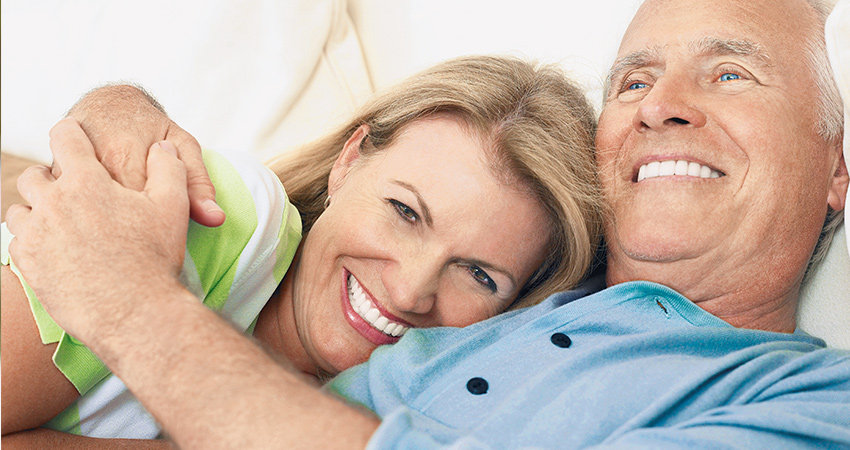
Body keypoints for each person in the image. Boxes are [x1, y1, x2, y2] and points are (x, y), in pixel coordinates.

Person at [5, 0, 850, 448]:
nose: (661, 106)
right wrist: (116, 117)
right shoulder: (532, 281)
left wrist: (128, 304)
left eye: (732, 73)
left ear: (837, 165)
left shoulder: (816, 403)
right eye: (630, 84)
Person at [1, 56, 604, 447]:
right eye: (405, 212)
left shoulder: (403, 418)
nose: (409, 291)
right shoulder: (231, 217)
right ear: (349, 162)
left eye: (479, 274)